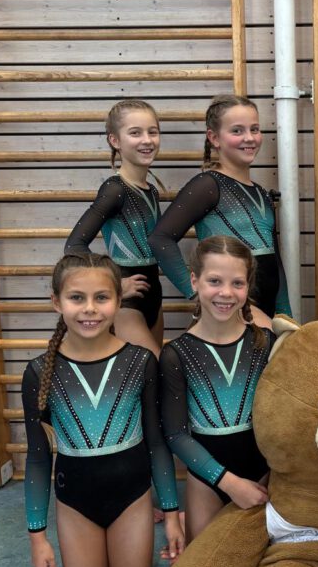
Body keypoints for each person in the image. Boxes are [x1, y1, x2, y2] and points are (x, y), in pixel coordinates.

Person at [22, 254, 184, 567]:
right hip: (75, 505)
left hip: (132, 499)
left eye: (101, 297)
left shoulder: (140, 362)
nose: (90, 309)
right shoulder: (39, 371)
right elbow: (38, 458)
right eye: (77, 298)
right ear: (56, 302)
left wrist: (172, 514)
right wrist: (37, 536)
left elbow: (157, 443)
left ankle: (132, 563)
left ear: (118, 301)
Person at [158, 236, 274, 544]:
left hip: (263, 473)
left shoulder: (265, 344)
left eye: (237, 283)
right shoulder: (176, 354)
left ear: (248, 287)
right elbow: (176, 435)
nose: (226, 292)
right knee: (203, 565)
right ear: (194, 281)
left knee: (258, 563)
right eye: (214, 281)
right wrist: (229, 483)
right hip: (207, 479)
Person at [148, 94, 291, 326]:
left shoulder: (262, 193)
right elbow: (160, 238)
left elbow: (274, 260)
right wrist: (196, 293)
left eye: (254, 129)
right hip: (232, 306)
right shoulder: (208, 185)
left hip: (266, 307)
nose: (249, 138)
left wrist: (285, 312)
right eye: (237, 131)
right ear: (214, 138)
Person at [64, 99, 166, 356]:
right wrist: (115, 283)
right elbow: (74, 245)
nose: (147, 140)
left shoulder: (151, 190)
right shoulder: (115, 189)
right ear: (115, 140)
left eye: (152, 132)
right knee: (155, 367)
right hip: (127, 302)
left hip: (153, 293)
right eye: (135, 133)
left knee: (152, 375)